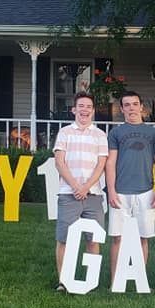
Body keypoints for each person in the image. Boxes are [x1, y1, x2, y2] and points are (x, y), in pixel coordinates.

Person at [52, 91, 109, 290]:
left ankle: (90, 280)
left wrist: (86, 187)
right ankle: (63, 281)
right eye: (81, 106)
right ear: (74, 110)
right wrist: (76, 186)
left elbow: (101, 164)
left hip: (93, 195)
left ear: (93, 111)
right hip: (69, 194)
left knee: (93, 240)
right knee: (64, 239)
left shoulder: (100, 135)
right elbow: (59, 162)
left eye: (88, 107)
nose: (84, 110)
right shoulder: (65, 132)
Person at [105, 91, 155, 280]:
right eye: (127, 105)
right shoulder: (116, 133)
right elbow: (110, 163)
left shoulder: (153, 133)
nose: (131, 108)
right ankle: (115, 280)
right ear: (121, 109)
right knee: (117, 238)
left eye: (135, 104)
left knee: (142, 238)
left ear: (141, 107)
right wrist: (111, 191)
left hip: (145, 191)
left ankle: (140, 279)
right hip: (121, 192)